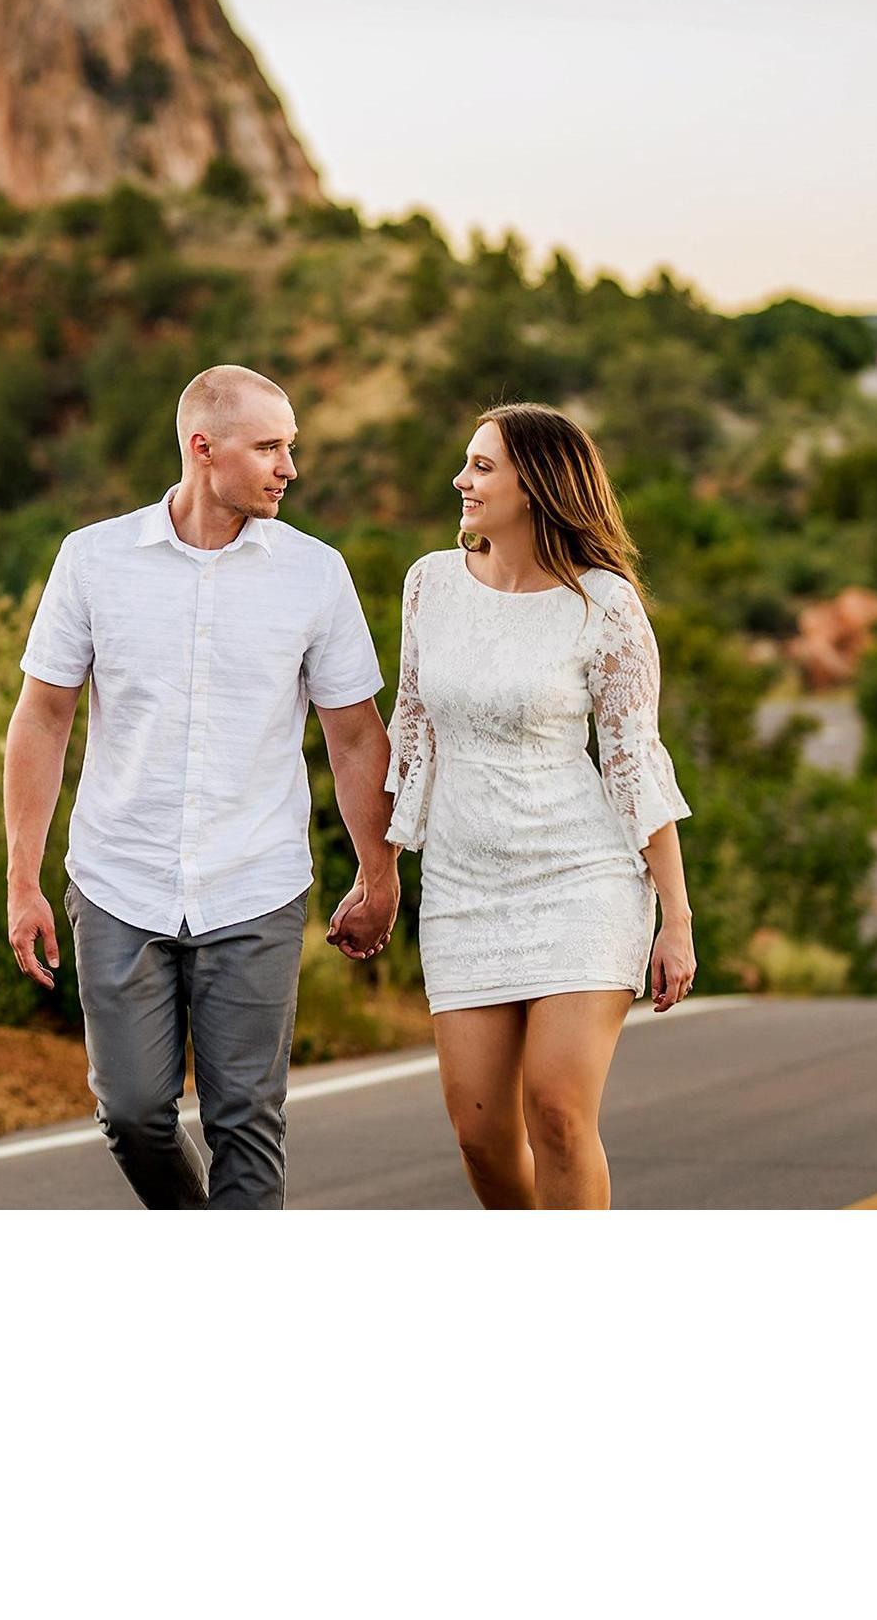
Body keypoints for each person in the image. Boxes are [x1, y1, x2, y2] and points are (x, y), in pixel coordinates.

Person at [2, 365, 393, 1210]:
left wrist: (379, 871)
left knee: (246, 1121)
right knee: (135, 1115)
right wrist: (21, 877)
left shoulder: (315, 574)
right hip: (117, 883)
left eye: (292, 446)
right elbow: (42, 717)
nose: (291, 467)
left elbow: (356, 734)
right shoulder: (93, 560)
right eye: (271, 448)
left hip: (255, 884)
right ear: (202, 447)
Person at [341, 401, 697, 1210]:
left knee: (559, 1115)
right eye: (468, 463)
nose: (461, 479)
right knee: (480, 1137)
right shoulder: (430, 583)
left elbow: (634, 761)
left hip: (583, 878)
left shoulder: (605, 604)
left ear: (535, 485)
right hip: (465, 888)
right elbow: (414, 733)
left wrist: (674, 916)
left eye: (483, 466)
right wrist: (379, 873)